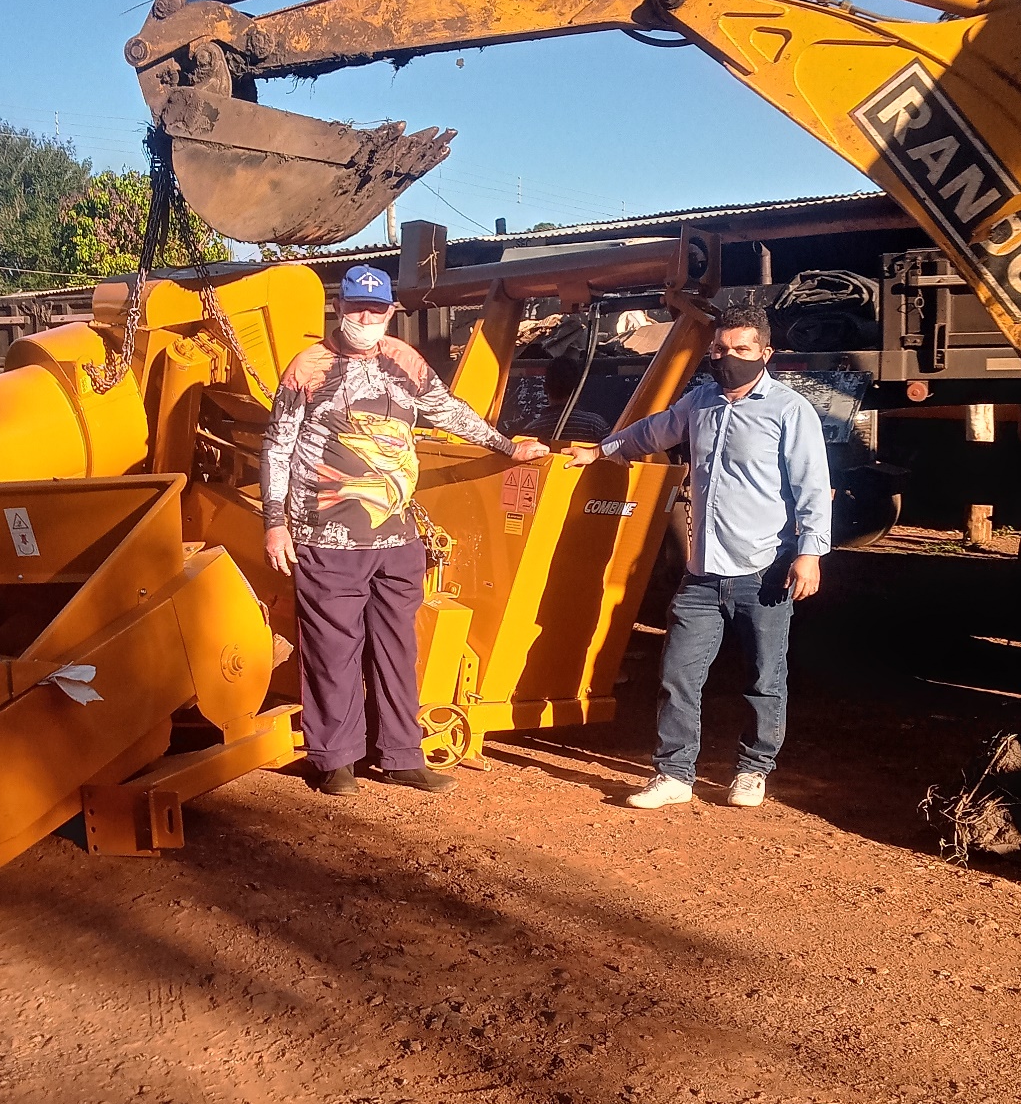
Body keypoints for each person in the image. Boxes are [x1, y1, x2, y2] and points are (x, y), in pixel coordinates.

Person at [262, 263, 548, 798]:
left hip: (397, 536)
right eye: (355, 307)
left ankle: (400, 754)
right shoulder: (307, 368)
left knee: (399, 646)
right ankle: (336, 759)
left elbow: (446, 412)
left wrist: (508, 447)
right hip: (327, 536)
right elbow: (278, 446)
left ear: (391, 311)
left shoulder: (404, 362)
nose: (365, 317)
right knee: (331, 649)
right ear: (339, 308)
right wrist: (275, 523)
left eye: (376, 308)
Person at [570, 299, 830, 809]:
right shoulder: (701, 403)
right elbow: (652, 431)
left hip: (765, 570)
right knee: (678, 675)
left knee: (764, 677)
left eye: (741, 349)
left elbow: (812, 487)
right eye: (720, 349)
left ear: (765, 353)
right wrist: (601, 451)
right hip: (702, 573)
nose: (728, 357)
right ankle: (673, 774)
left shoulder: (789, 410)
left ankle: (754, 770)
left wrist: (810, 553)